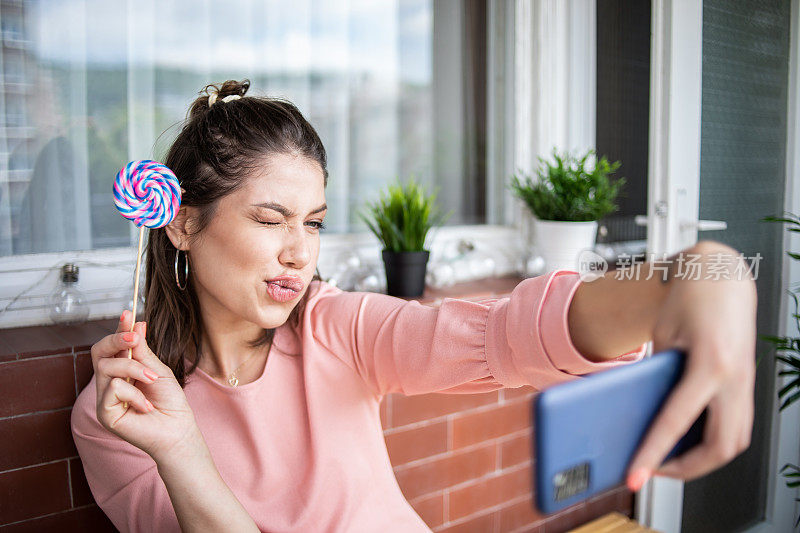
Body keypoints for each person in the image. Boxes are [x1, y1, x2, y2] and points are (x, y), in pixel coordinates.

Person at [70, 79, 757, 533]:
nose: (298, 252)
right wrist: (180, 446)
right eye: (270, 217)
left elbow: (509, 336)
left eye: (312, 222)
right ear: (182, 224)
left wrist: (694, 274)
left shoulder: (335, 327)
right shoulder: (120, 412)